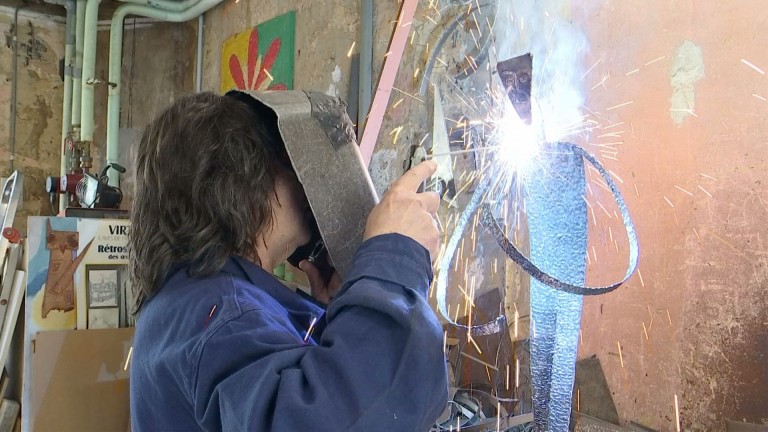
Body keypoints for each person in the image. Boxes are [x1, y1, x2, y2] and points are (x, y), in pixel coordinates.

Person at [128, 91, 449, 431]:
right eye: (290, 164)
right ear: (246, 179)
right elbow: (327, 420)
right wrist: (395, 260)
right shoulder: (223, 314)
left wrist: (339, 316)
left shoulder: (187, 300)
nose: (304, 181)